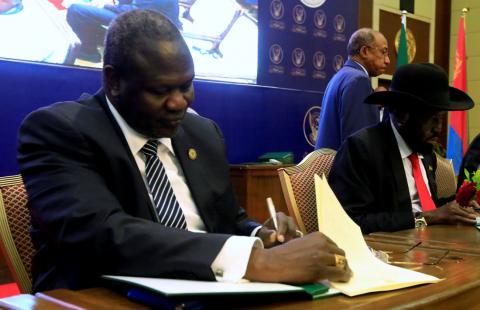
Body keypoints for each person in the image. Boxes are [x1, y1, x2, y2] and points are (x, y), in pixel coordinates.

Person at [18, 9, 352, 292]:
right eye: (160, 90)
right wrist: (257, 259)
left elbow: (227, 219)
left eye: (186, 85)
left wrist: (261, 234)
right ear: (113, 81)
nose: (179, 102)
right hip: (100, 296)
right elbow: (102, 235)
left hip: (211, 292)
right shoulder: (58, 131)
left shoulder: (202, 133)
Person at [328, 63, 478, 234]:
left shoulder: (425, 151)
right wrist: (429, 217)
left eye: (441, 119)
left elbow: (425, 204)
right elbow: (351, 221)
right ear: (400, 115)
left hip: (432, 245)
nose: (439, 129)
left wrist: (457, 205)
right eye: (432, 119)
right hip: (389, 252)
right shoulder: (361, 149)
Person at [315, 28, 390, 151]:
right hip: (346, 168)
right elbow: (360, 144)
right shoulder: (359, 81)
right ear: (365, 51)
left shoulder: (341, 76)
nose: (388, 61)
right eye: (383, 52)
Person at [65, 0, 181, 63]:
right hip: (144, 22)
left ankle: (89, 52)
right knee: (82, 9)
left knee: (76, 10)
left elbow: (135, 13)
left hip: (155, 36)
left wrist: (104, 5)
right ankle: (107, 43)